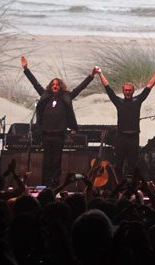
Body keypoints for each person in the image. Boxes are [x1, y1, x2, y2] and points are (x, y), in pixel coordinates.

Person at [20, 55, 97, 188]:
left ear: (60, 86)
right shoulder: (45, 95)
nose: (55, 86)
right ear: (51, 86)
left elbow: (80, 88)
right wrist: (26, 69)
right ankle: (45, 185)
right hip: (46, 134)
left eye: (57, 84)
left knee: (56, 161)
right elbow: (35, 83)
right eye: (53, 84)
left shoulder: (66, 96)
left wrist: (91, 76)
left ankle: (54, 185)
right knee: (47, 161)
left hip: (59, 135)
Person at [96, 66, 155, 178]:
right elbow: (108, 88)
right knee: (119, 164)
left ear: (133, 91)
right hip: (121, 136)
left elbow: (149, 87)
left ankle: (130, 188)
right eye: (125, 90)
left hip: (134, 137)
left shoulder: (137, 100)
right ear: (123, 91)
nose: (127, 92)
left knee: (132, 165)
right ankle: (118, 186)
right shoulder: (119, 102)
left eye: (129, 90)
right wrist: (100, 74)